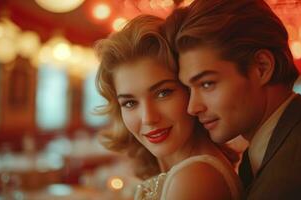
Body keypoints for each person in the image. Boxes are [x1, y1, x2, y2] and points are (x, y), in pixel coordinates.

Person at [164, 0, 301, 199]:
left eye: (207, 84)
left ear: (262, 67)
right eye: (189, 89)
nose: (192, 107)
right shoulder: (290, 147)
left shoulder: (299, 174)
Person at [94, 15, 243, 199]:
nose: (148, 117)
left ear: (190, 90)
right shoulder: (184, 171)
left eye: (163, 93)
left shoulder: (195, 179)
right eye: (130, 103)